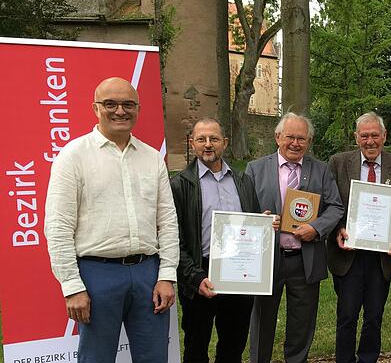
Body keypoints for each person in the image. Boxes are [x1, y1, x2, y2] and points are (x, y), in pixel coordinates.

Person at [44, 77, 179, 362]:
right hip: (96, 274)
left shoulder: (152, 158)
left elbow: (167, 221)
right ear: (96, 108)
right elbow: (58, 227)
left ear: (138, 109)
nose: (120, 111)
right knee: (96, 358)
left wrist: (167, 275)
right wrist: (72, 287)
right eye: (110, 104)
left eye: (128, 104)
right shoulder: (73, 156)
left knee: (155, 356)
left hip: (148, 273)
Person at [246, 113, 344, 363]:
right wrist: (260, 219)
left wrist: (316, 227)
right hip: (268, 259)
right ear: (278, 137)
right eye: (290, 136)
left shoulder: (320, 170)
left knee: (302, 322)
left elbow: (335, 207)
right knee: (262, 320)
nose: (295, 143)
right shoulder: (255, 168)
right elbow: (243, 208)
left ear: (309, 141)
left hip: (305, 258)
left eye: (301, 138)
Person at [170, 117, 260, 363]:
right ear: (192, 143)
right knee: (196, 346)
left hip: (239, 271)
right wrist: (194, 277)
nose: (208, 144)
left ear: (225, 143)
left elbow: (253, 224)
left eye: (214, 139)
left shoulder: (242, 181)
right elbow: (173, 239)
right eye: (201, 139)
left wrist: (263, 224)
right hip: (200, 272)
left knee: (234, 344)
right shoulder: (180, 185)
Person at [327, 112, 391, 363]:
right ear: (356, 137)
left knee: (374, 315)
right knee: (347, 315)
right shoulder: (338, 163)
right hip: (348, 255)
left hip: (382, 257)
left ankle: (368, 359)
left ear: (384, 136)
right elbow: (329, 205)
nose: (370, 141)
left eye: (375, 135)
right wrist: (338, 229)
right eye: (364, 136)